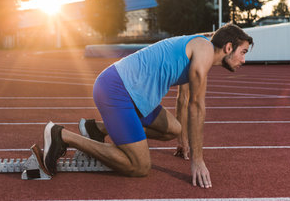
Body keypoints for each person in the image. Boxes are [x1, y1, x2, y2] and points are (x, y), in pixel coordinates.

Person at [43, 23, 253, 188]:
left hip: (136, 95)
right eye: (243, 52)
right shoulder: (205, 50)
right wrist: (197, 160)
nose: (244, 60)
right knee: (140, 166)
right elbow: (197, 107)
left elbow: (184, 98)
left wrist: (183, 141)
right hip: (118, 89)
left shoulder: (199, 47)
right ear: (228, 47)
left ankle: (95, 128)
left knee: (174, 128)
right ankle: (62, 136)